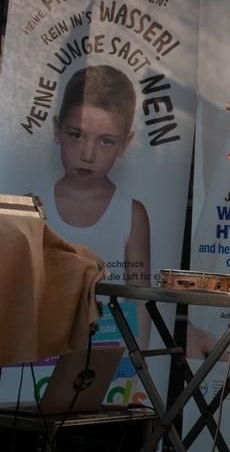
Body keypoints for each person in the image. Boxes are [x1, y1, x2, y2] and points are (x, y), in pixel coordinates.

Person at [44, 64, 152, 347]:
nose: (88, 154)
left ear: (124, 144)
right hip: (36, 358)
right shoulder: (34, 208)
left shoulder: (131, 213)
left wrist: (137, 369)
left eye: (105, 141)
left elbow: (139, 298)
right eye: (76, 135)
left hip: (108, 358)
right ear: (57, 130)